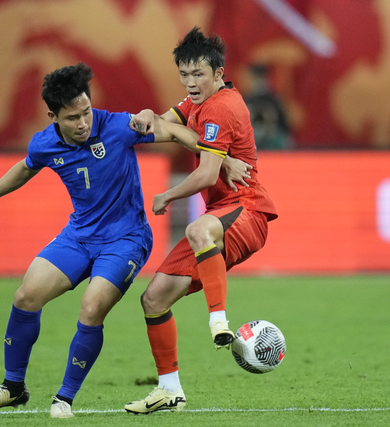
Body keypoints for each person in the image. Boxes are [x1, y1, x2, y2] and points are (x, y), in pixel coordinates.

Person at [0, 62, 250, 419]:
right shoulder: (44, 143)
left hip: (127, 239)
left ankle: (64, 399)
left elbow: (173, 131)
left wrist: (221, 161)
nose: (83, 123)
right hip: (78, 236)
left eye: (87, 112)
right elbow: (26, 167)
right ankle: (12, 387)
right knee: (26, 296)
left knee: (91, 307)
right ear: (53, 117)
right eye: (72, 117)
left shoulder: (119, 126)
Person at [124, 27, 278, 414]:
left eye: (198, 74)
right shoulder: (198, 101)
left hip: (247, 209)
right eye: (184, 74)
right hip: (220, 215)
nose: (191, 83)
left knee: (197, 228)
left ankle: (218, 321)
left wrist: (167, 195)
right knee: (154, 299)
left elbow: (207, 175)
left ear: (218, 73)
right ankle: (169, 390)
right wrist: (149, 116)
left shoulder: (221, 107)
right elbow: (164, 125)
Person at [244, 63, 292, 150]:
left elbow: (284, 125)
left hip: (271, 140)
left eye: (261, 79)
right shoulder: (247, 100)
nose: (259, 83)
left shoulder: (273, 100)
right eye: (256, 79)